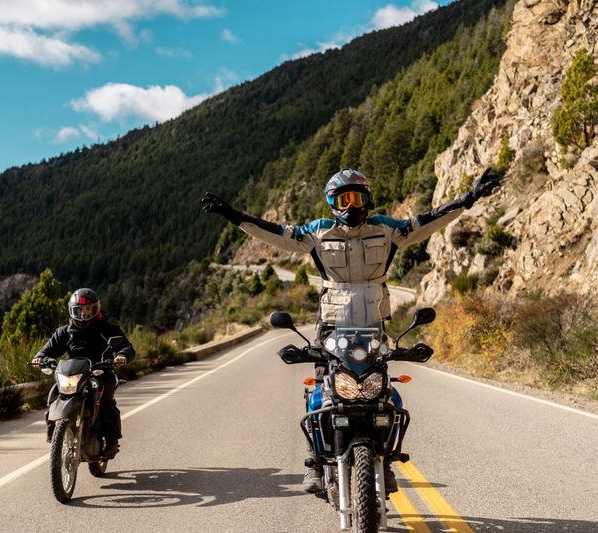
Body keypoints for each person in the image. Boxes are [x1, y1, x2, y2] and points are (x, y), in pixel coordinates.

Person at [201, 167, 501, 493]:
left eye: (357, 197)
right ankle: (314, 463)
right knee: (324, 391)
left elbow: (427, 221)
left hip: (374, 325)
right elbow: (273, 232)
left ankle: (384, 459)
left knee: (384, 392)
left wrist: (467, 199)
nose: (351, 205)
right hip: (331, 326)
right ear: (332, 203)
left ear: (367, 198)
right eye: (343, 199)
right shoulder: (318, 232)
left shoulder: (387, 229)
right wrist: (234, 216)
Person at [31, 288, 135, 458]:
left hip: (101, 371)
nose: (84, 313)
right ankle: (55, 437)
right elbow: (48, 349)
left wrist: (122, 355)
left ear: (96, 309)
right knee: (54, 395)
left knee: (105, 400)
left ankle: (112, 440)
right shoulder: (65, 332)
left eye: (88, 309)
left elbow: (126, 346)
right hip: (74, 374)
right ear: (73, 310)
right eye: (80, 309)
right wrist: (40, 358)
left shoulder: (106, 328)